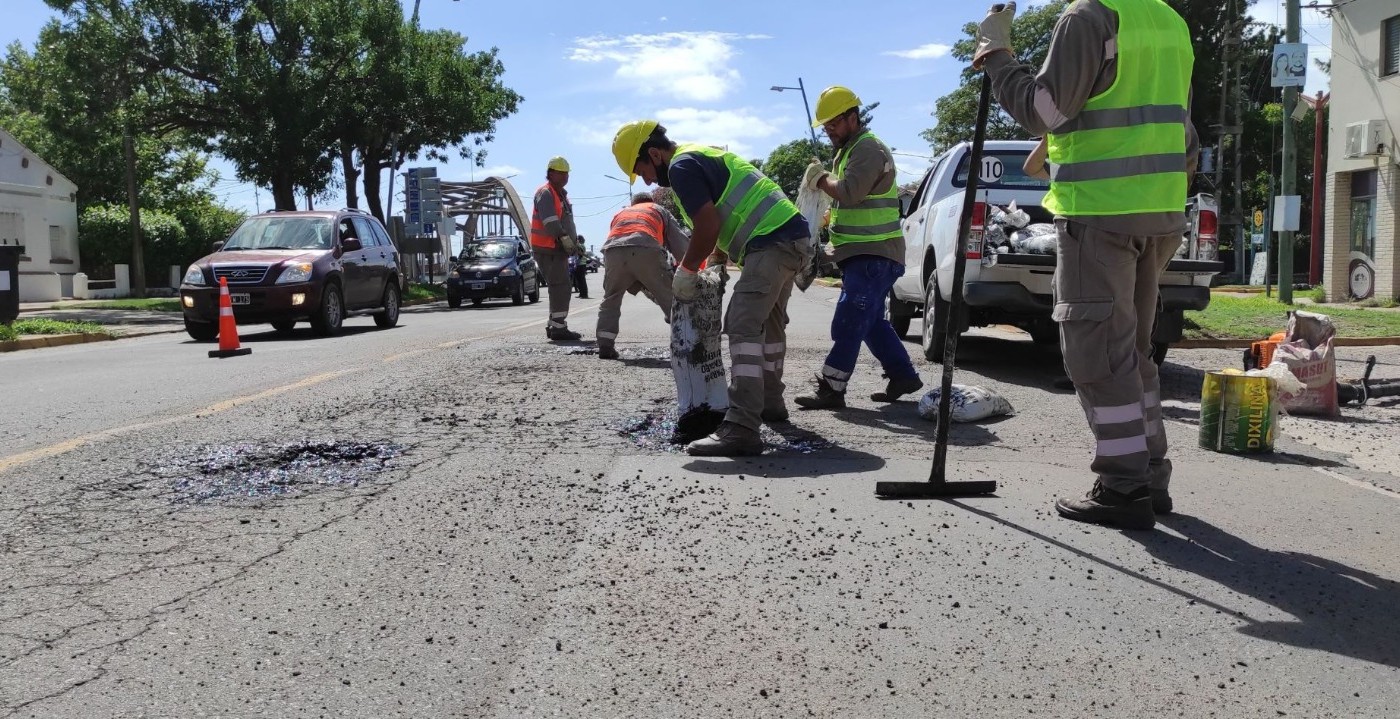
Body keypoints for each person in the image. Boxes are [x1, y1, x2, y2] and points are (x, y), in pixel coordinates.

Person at [973, 0, 1198, 529]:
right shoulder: (1168, 20)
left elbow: (1045, 110)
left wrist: (998, 55)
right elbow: (1174, 122)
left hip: (1101, 210)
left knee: (1096, 354)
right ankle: (1148, 474)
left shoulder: (1088, 17)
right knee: (1132, 353)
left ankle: (1123, 486)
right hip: (1159, 209)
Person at [611, 120, 812, 456]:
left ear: (655, 153)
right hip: (790, 236)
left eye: (641, 168)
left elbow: (708, 225)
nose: (646, 179)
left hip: (772, 241)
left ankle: (743, 426)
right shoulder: (697, 156)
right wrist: (714, 264)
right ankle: (771, 404)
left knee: (742, 324)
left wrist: (687, 271)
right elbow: (719, 221)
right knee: (770, 324)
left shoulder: (681, 167)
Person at [794, 85, 923, 411]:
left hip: (875, 255)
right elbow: (851, 202)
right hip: (865, 255)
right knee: (871, 322)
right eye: (825, 126)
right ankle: (903, 375)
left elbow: (850, 191)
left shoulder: (867, 149)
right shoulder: (850, 151)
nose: (828, 131)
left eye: (833, 124)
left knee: (849, 320)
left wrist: (820, 179)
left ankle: (832, 388)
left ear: (852, 118)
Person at [596, 192, 690, 360]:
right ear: (650, 202)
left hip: (613, 252)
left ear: (633, 204)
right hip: (645, 248)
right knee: (669, 297)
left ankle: (605, 343)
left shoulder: (620, 213)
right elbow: (679, 243)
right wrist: (691, 268)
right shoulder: (657, 209)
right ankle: (686, 342)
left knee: (611, 298)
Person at [530, 156, 583, 341]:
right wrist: (564, 239)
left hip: (556, 248)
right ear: (551, 173)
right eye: (561, 173)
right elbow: (550, 222)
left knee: (560, 286)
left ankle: (555, 324)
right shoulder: (546, 193)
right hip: (549, 248)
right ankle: (558, 328)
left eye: (566, 173)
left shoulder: (559, 194)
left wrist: (572, 244)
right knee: (560, 286)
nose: (565, 177)